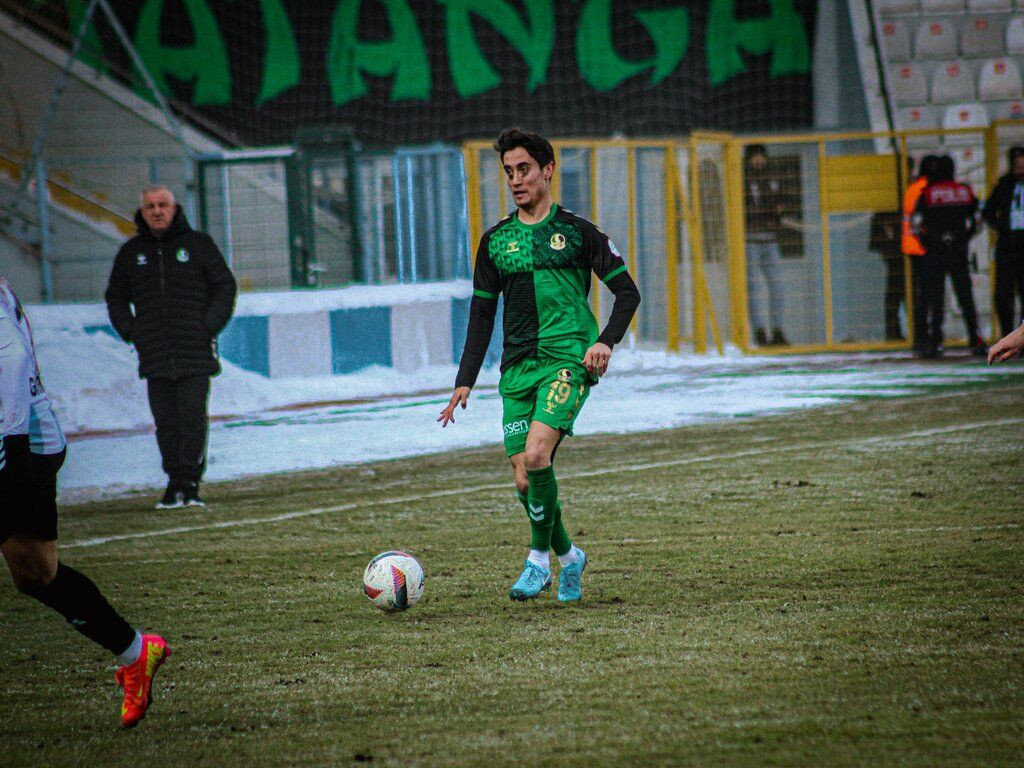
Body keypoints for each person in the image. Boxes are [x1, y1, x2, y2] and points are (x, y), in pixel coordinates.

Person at [438, 129, 640, 603]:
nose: (515, 179)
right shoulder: (495, 242)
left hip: (568, 360)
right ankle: (570, 557)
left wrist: (605, 342)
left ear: (548, 169)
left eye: (524, 169)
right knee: (526, 478)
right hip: (518, 369)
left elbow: (627, 293)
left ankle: (537, 563)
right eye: (508, 172)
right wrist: (464, 380)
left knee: (535, 455)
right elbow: (482, 314)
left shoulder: (578, 232)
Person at [0, 276, 170, 728]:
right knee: (36, 573)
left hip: (16, 446)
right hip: (26, 444)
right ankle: (136, 653)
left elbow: (11, 359)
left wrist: (12, 452)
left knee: (37, 572)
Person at [105, 185, 237, 509]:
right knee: (165, 421)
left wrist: (207, 325)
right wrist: (132, 330)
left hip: (193, 350)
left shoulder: (198, 245)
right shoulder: (131, 252)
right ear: (142, 211)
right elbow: (115, 296)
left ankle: (190, 481)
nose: (157, 211)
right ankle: (172, 481)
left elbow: (225, 285)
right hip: (155, 352)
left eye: (162, 204)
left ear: (175, 208)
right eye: (150, 206)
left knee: (192, 418)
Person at [913, 155, 986, 358]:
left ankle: (935, 341)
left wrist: (926, 242)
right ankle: (975, 339)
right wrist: (965, 237)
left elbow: (916, 223)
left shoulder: (928, 194)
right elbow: (979, 220)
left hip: (935, 252)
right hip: (958, 251)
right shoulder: (964, 191)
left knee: (936, 298)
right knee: (966, 297)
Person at [743, 144, 789, 347]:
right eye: (755, 157)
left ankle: (778, 330)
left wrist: (777, 212)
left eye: (762, 156)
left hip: (770, 239)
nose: (759, 160)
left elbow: (782, 201)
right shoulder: (743, 178)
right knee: (752, 287)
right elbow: (747, 207)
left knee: (777, 286)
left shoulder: (773, 177)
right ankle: (759, 331)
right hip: (750, 240)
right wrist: (767, 212)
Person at [981, 146, 1024, 337]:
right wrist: (1002, 227)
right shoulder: (1005, 185)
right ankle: (1008, 334)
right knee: (1002, 295)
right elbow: (988, 211)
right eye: (1018, 167)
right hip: (1008, 247)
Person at [902, 155, 939, 353]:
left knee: (921, 296)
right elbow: (920, 220)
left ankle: (921, 337)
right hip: (922, 247)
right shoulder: (924, 188)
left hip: (912, 246)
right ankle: (925, 338)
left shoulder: (914, 186)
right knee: (927, 296)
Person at [869, 209, 906, 341]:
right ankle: (894, 335)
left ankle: (897, 335)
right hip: (895, 263)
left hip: (904, 260)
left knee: (901, 299)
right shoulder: (881, 215)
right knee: (894, 300)